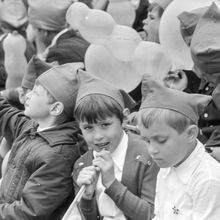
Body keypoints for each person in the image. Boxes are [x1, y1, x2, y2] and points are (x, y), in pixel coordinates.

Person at [0, 63, 86, 219]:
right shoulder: (32, 127)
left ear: (55, 109)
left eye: (35, 92)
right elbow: (4, 113)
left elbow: (28, 213)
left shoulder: (57, 156)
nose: (27, 95)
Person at [72, 70, 159, 220]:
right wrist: (87, 196)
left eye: (105, 125)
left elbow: (150, 214)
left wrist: (111, 183)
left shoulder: (148, 154)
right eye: (88, 128)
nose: (98, 136)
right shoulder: (81, 165)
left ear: (124, 118)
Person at [137, 75, 220, 219]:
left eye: (161, 140)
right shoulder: (168, 164)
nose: (152, 150)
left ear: (190, 134)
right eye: (147, 140)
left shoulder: (208, 180)